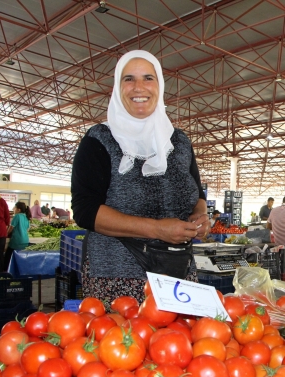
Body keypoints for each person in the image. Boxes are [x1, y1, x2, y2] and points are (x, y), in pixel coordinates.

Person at [71, 50, 209, 304]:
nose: (139, 87)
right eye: (128, 79)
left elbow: (197, 194)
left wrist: (201, 215)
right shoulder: (99, 140)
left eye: (148, 78)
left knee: (176, 341)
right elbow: (85, 211)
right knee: (126, 342)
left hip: (177, 271)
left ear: (159, 86)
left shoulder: (179, 142)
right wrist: (156, 229)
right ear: (117, 86)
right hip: (116, 277)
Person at [4, 201, 31, 270]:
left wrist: (5, 234)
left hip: (17, 240)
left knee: (8, 257)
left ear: (19, 210)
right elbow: (27, 229)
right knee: (20, 257)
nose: (13, 209)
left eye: (15, 208)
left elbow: (11, 227)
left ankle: (7, 271)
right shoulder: (26, 217)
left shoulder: (17, 216)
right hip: (25, 240)